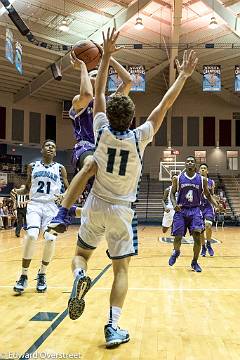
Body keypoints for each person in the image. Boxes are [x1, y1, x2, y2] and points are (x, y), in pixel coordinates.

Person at [49, 28, 198, 348]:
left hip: (95, 206)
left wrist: (103, 57)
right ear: (133, 119)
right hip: (122, 212)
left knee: (80, 255)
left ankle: (78, 277)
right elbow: (165, 104)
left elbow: (99, 91)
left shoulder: (100, 131)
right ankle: (113, 326)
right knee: (121, 271)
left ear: (107, 115)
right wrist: (183, 76)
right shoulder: (140, 137)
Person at [12, 140, 69, 294]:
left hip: (51, 207)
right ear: (42, 150)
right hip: (35, 205)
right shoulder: (32, 166)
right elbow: (28, 188)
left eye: (53, 147)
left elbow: (69, 190)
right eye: (47, 146)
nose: (50, 148)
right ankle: (23, 276)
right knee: (31, 236)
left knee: (50, 239)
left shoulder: (60, 168)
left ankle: (42, 273)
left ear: (55, 152)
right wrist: (18, 191)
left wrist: (63, 195)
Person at [169, 156, 218, 272]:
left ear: (195, 165)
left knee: (197, 237)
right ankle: (176, 251)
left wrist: (217, 205)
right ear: (185, 164)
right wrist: (174, 203)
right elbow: (172, 193)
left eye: (192, 161)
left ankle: (194, 262)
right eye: (188, 161)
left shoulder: (202, 180)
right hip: (181, 210)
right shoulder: (178, 178)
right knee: (178, 237)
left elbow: (208, 195)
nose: (190, 162)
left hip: (195, 210)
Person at [199, 163, 215, 257]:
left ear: (207, 171)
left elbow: (212, 195)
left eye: (205, 168)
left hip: (208, 207)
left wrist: (217, 204)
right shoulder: (196, 181)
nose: (203, 170)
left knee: (208, 225)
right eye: (201, 168)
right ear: (199, 170)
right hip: (198, 207)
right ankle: (203, 247)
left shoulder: (211, 182)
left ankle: (209, 244)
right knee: (201, 229)